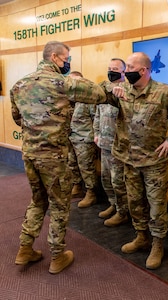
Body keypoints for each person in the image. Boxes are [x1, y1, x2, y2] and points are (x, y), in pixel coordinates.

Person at [10, 41, 106, 274]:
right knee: (59, 204)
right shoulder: (65, 83)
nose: (68, 63)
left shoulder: (19, 85)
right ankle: (57, 255)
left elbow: (17, 118)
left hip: (30, 154)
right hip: (54, 157)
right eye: (66, 58)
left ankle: (25, 248)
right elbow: (99, 94)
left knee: (38, 199)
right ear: (54, 57)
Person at [110, 51, 168, 269]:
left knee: (156, 206)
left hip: (154, 162)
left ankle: (157, 244)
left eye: (130, 69)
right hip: (129, 159)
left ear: (143, 70)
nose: (125, 73)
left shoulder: (164, 93)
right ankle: (141, 236)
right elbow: (100, 92)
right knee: (134, 202)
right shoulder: (122, 89)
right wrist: (111, 90)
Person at [93, 58, 129, 226]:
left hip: (119, 146)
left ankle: (122, 212)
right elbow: (98, 114)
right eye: (109, 68)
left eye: (115, 68)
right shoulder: (104, 91)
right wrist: (96, 133)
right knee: (106, 178)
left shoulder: (127, 92)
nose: (111, 71)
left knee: (118, 181)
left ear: (123, 72)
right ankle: (112, 204)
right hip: (104, 143)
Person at [68, 71, 99, 207]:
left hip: (84, 138)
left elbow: (95, 119)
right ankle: (77, 186)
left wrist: (96, 137)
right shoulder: (66, 100)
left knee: (86, 167)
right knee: (71, 163)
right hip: (70, 137)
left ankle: (91, 193)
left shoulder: (88, 100)